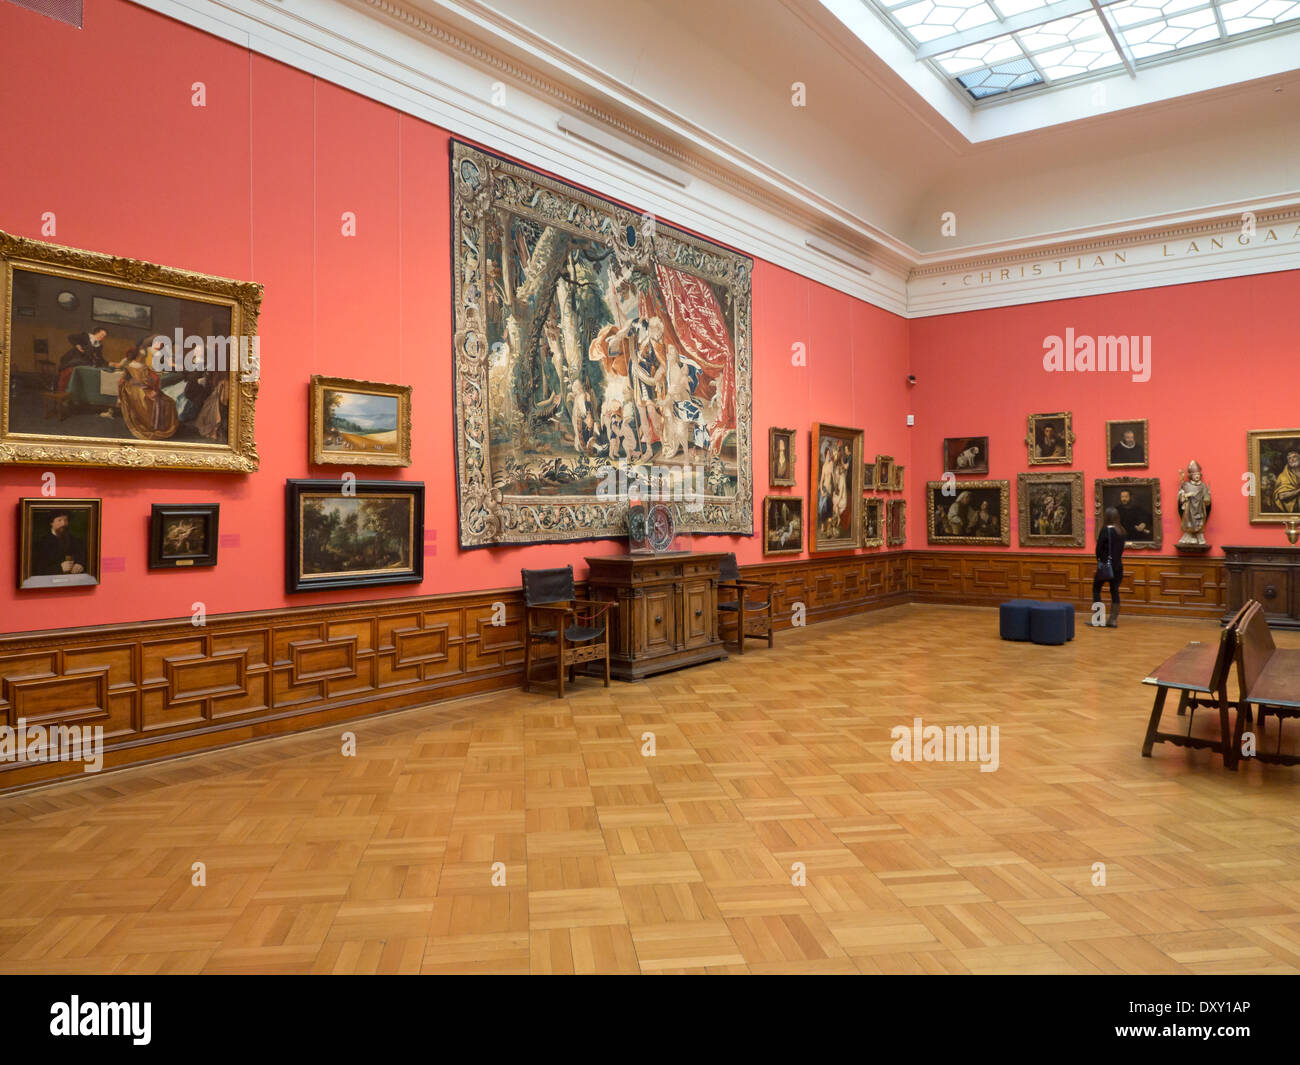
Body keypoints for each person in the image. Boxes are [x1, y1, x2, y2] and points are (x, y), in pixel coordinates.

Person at [1092, 507, 1126, 627]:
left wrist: (1101, 562)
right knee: (1114, 591)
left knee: (1096, 589)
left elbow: (1098, 550)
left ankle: (1098, 619)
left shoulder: (1105, 530)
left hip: (1106, 566)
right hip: (1118, 567)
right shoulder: (1121, 531)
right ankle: (1113, 619)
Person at [32, 511, 87, 577]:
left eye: (66, 520)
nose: (63, 523)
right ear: (51, 523)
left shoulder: (76, 540)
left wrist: (80, 564)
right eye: (59, 520)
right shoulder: (40, 543)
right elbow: (37, 569)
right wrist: (59, 568)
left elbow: (84, 557)